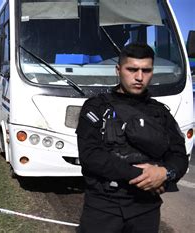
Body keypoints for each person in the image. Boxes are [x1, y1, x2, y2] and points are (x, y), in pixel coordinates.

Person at [76, 43, 188, 233]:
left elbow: (179, 156)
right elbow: (91, 156)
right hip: (103, 207)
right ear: (118, 70)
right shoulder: (96, 107)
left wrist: (165, 173)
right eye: (132, 69)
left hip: (146, 210)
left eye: (146, 70)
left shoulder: (160, 113)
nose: (139, 77)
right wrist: (145, 177)